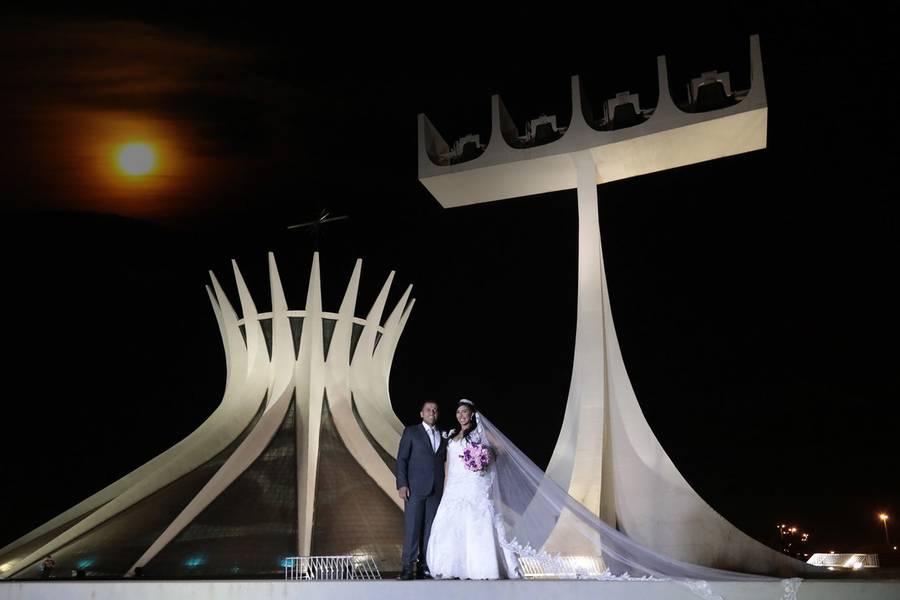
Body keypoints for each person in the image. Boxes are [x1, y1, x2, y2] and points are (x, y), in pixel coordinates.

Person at [425, 399, 518, 579]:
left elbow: (501, 449)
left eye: (464, 412)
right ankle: (451, 568)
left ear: (472, 414)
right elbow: (448, 465)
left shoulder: (480, 432)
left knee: (475, 520)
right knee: (450, 523)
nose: (461, 415)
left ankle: (481, 566)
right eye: (458, 412)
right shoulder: (451, 435)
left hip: (474, 482)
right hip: (454, 485)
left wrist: (485, 457)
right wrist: (446, 488)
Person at [395, 400, 447, 580]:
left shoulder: (443, 434)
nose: (432, 412)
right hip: (414, 489)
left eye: (435, 409)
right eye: (428, 409)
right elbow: (402, 459)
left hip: (436, 490)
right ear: (421, 413)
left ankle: (425, 565)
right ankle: (407, 567)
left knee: (430, 530)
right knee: (412, 528)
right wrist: (402, 484)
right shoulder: (411, 432)